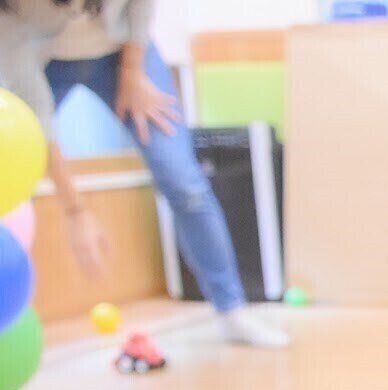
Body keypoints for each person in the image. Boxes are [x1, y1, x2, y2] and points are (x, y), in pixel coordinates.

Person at [0, 0, 288, 347]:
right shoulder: (11, 13)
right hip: (45, 61)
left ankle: (232, 310)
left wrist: (132, 70)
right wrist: (76, 211)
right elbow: (38, 126)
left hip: (122, 50)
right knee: (19, 162)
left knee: (184, 183)